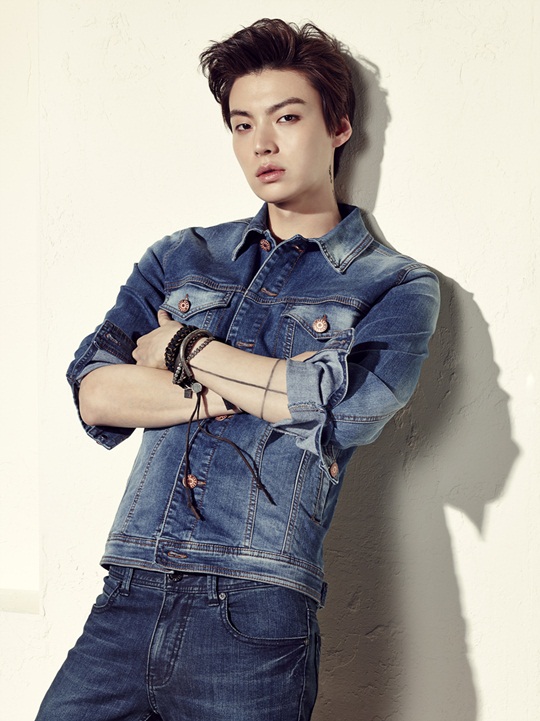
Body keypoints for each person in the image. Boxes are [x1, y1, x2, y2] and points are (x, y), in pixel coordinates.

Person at [35, 18, 440, 721]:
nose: (262, 143)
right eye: (242, 124)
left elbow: (345, 412)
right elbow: (96, 393)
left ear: (339, 126)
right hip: (129, 590)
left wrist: (185, 351)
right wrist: (258, 388)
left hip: (255, 612)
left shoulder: (396, 286)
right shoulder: (180, 257)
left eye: (287, 117)